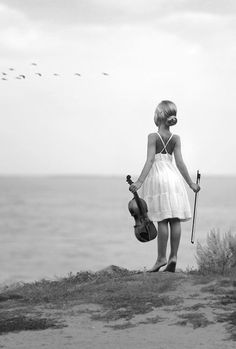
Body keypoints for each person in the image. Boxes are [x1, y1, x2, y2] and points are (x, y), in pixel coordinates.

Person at [129, 100, 200, 273]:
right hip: (174, 178)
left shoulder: (152, 137)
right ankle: (173, 257)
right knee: (175, 219)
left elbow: (151, 160)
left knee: (162, 219)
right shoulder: (175, 138)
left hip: (158, 179)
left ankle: (161, 258)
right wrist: (191, 183)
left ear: (158, 116)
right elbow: (180, 163)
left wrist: (139, 182)